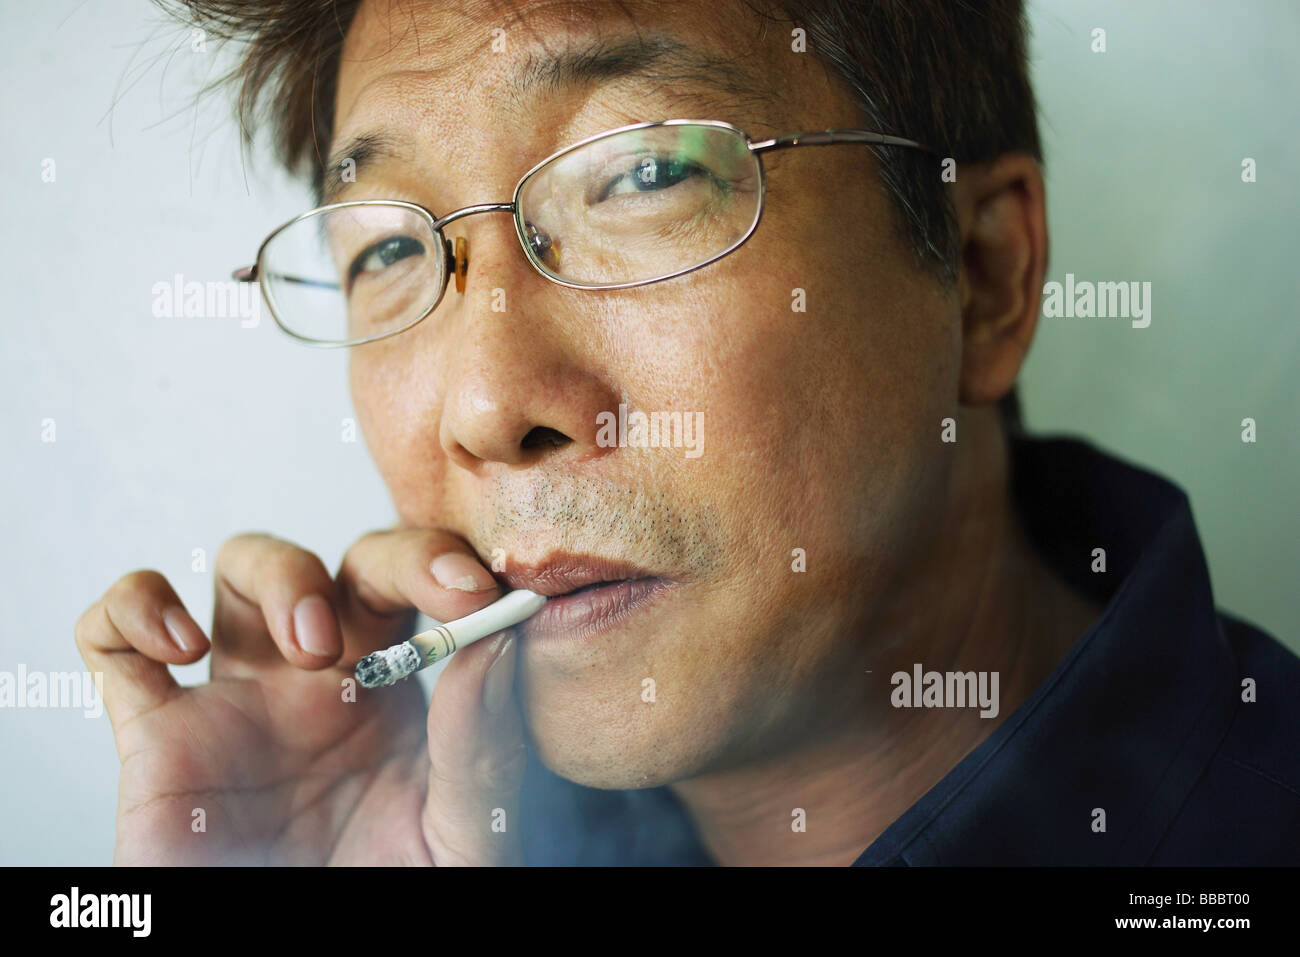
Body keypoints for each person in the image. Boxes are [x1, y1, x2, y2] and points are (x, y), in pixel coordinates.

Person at [75, 0, 1298, 865]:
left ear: (981, 275)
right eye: (394, 247)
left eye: (644, 176)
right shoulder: (454, 832)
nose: (490, 408)